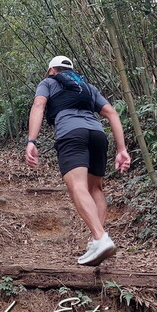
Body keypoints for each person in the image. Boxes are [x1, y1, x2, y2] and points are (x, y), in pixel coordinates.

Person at [25, 55, 131, 266]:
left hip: (71, 134)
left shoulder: (48, 82)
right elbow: (112, 113)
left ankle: (100, 238)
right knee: (96, 189)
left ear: (52, 71)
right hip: (97, 135)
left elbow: (38, 106)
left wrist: (31, 141)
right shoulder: (87, 87)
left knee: (77, 186)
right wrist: (122, 149)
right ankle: (96, 241)